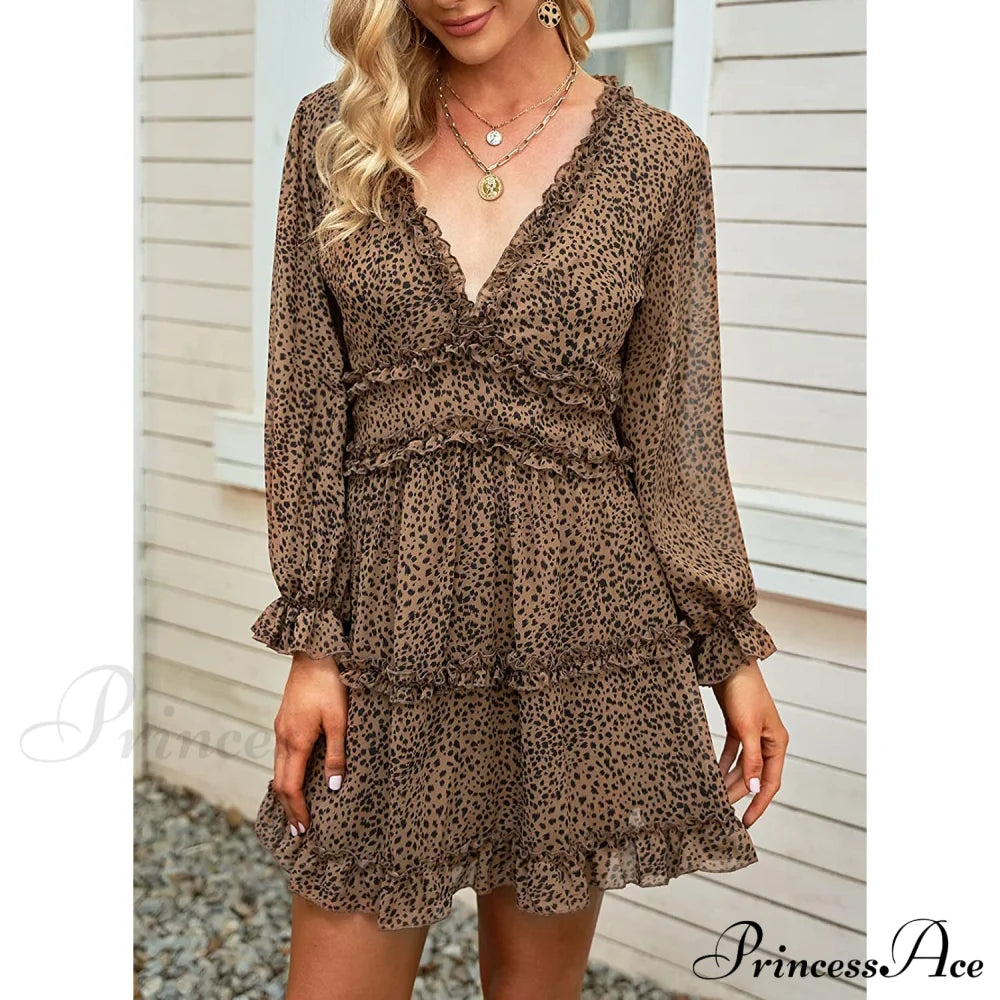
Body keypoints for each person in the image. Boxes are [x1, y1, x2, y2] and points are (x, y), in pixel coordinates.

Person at [249, 2, 790, 997]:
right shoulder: (338, 131)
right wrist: (313, 643)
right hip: (389, 636)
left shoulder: (658, 161)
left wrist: (729, 649)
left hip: (578, 638)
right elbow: (304, 405)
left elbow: (673, 433)